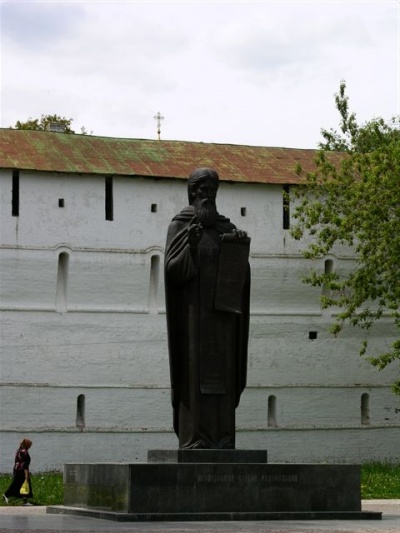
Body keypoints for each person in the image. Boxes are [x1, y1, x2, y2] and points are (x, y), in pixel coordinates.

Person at [165, 168, 251, 449]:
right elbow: (173, 272)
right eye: (204, 191)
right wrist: (190, 247)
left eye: (213, 191)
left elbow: (240, 277)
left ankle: (223, 437)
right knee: (195, 378)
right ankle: (196, 438)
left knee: (223, 377)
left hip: (222, 320)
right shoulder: (180, 226)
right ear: (193, 192)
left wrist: (238, 250)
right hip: (193, 320)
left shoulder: (226, 228)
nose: (209, 196)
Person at [3, 438, 33, 506]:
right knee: (25, 485)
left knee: (17, 484)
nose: (30, 447)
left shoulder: (19, 451)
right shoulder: (25, 452)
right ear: (27, 445)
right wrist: (26, 474)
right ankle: (24, 501)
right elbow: (25, 464)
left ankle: (7, 495)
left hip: (16, 469)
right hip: (21, 471)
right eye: (30, 445)